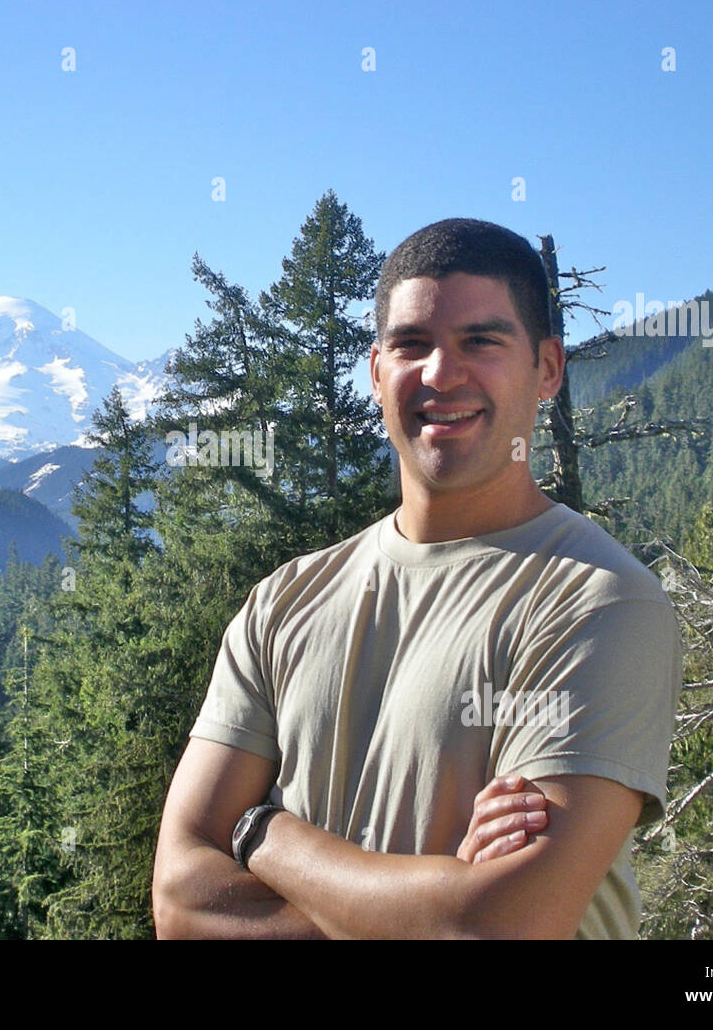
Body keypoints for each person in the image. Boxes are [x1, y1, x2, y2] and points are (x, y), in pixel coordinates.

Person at [152, 217, 682, 939]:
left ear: (548, 368)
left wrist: (261, 835)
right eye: (411, 344)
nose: (440, 373)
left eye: (481, 342)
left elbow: (495, 927)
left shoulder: (598, 603)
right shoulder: (281, 604)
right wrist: (425, 900)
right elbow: (181, 902)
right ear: (376, 372)